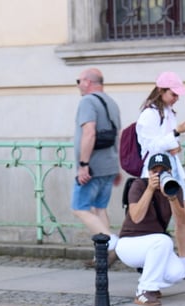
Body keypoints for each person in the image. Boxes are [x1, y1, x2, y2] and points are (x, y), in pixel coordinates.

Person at [135, 71, 185, 281]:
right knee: (156, 217)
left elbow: (166, 142)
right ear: (161, 91)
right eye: (173, 94)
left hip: (172, 168)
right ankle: (153, 261)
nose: (176, 98)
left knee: (184, 215)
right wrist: (175, 133)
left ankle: (184, 259)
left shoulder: (168, 112)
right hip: (156, 169)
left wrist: (175, 142)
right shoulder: (149, 115)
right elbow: (150, 145)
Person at [115, 153, 185, 306]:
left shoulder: (174, 188)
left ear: (170, 172)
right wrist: (149, 189)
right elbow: (136, 217)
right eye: (155, 171)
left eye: (163, 171)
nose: (159, 174)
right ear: (148, 173)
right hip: (129, 244)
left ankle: (151, 282)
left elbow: (182, 221)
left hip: (154, 245)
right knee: (164, 241)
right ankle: (144, 291)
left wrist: (172, 197)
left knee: (178, 272)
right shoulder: (139, 185)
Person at [72, 68, 121, 266]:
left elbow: (89, 133)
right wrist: (117, 166)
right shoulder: (111, 102)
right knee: (100, 209)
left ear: (87, 82)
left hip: (92, 167)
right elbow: (117, 135)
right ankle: (102, 256)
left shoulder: (88, 102)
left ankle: (113, 243)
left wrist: (83, 165)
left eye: (78, 81)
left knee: (79, 208)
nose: (78, 85)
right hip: (109, 165)